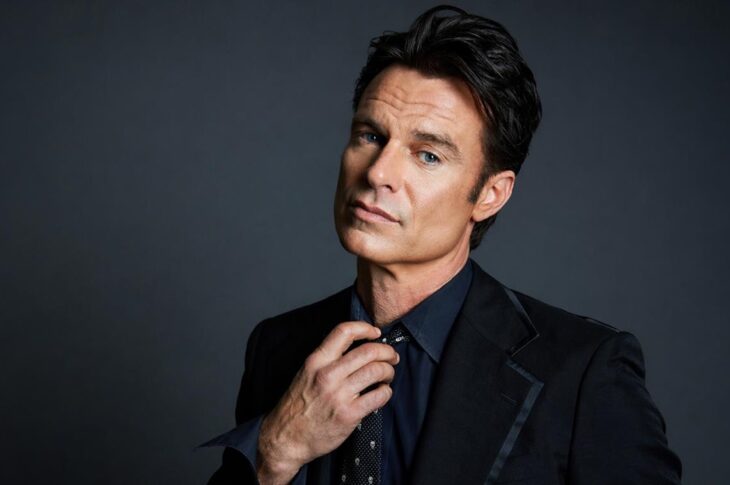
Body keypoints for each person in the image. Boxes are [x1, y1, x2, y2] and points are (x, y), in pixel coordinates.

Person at [201, 5, 682, 484]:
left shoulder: (583, 372)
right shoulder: (277, 347)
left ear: (490, 195)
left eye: (427, 155)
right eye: (370, 135)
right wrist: (275, 452)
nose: (378, 173)